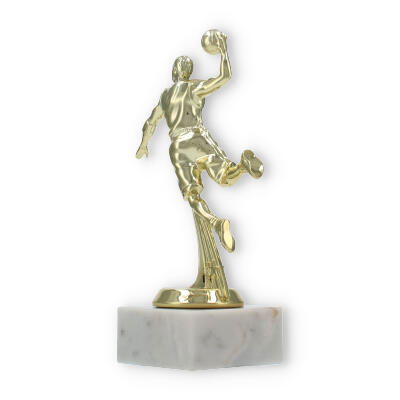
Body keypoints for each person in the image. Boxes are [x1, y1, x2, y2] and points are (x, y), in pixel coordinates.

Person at [136, 32, 263, 252]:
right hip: (197, 138)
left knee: (192, 195)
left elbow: (150, 123)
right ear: (189, 72)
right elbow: (224, 77)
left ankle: (215, 222)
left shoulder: (165, 96)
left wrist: (143, 145)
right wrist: (223, 50)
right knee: (225, 176)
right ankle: (243, 166)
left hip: (177, 146)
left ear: (174, 72)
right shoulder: (194, 88)